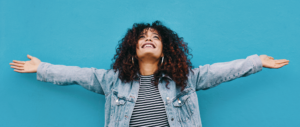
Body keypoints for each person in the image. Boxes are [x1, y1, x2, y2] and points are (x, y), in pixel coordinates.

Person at [9, 21, 289, 127]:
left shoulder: (185, 79)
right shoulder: (112, 81)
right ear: (133, 48)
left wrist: (256, 61)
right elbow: (78, 74)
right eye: (142, 37)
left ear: (165, 48)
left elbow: (219, 71)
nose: (149, 39)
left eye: (155, 37)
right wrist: (42, 67)